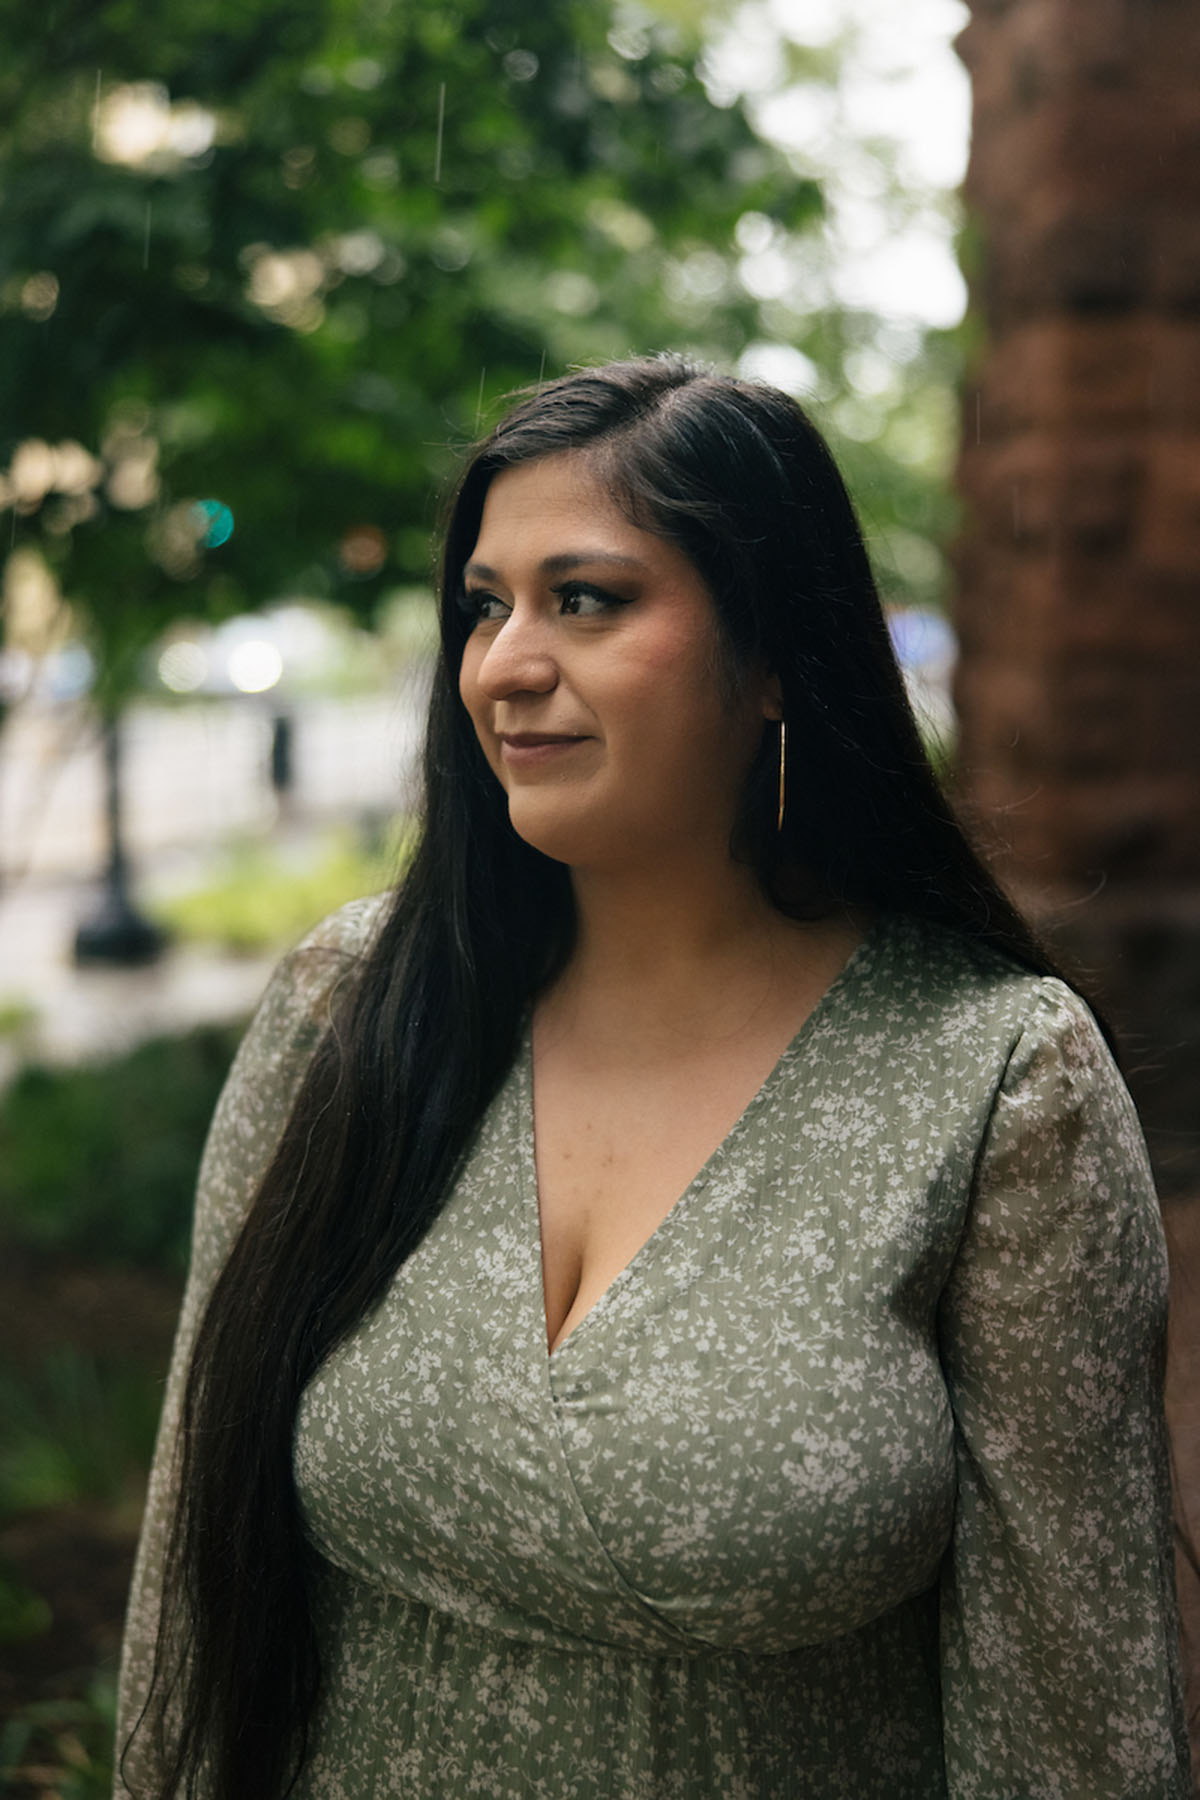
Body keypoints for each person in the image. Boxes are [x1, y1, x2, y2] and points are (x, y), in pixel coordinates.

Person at [114, 354, 1190, 1799]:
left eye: (588, 599)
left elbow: (1073, 1707)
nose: (503, 663)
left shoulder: (996, 1082)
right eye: (485, 607)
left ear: (771, 662)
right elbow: (195, 1587)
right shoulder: (350, 1009)